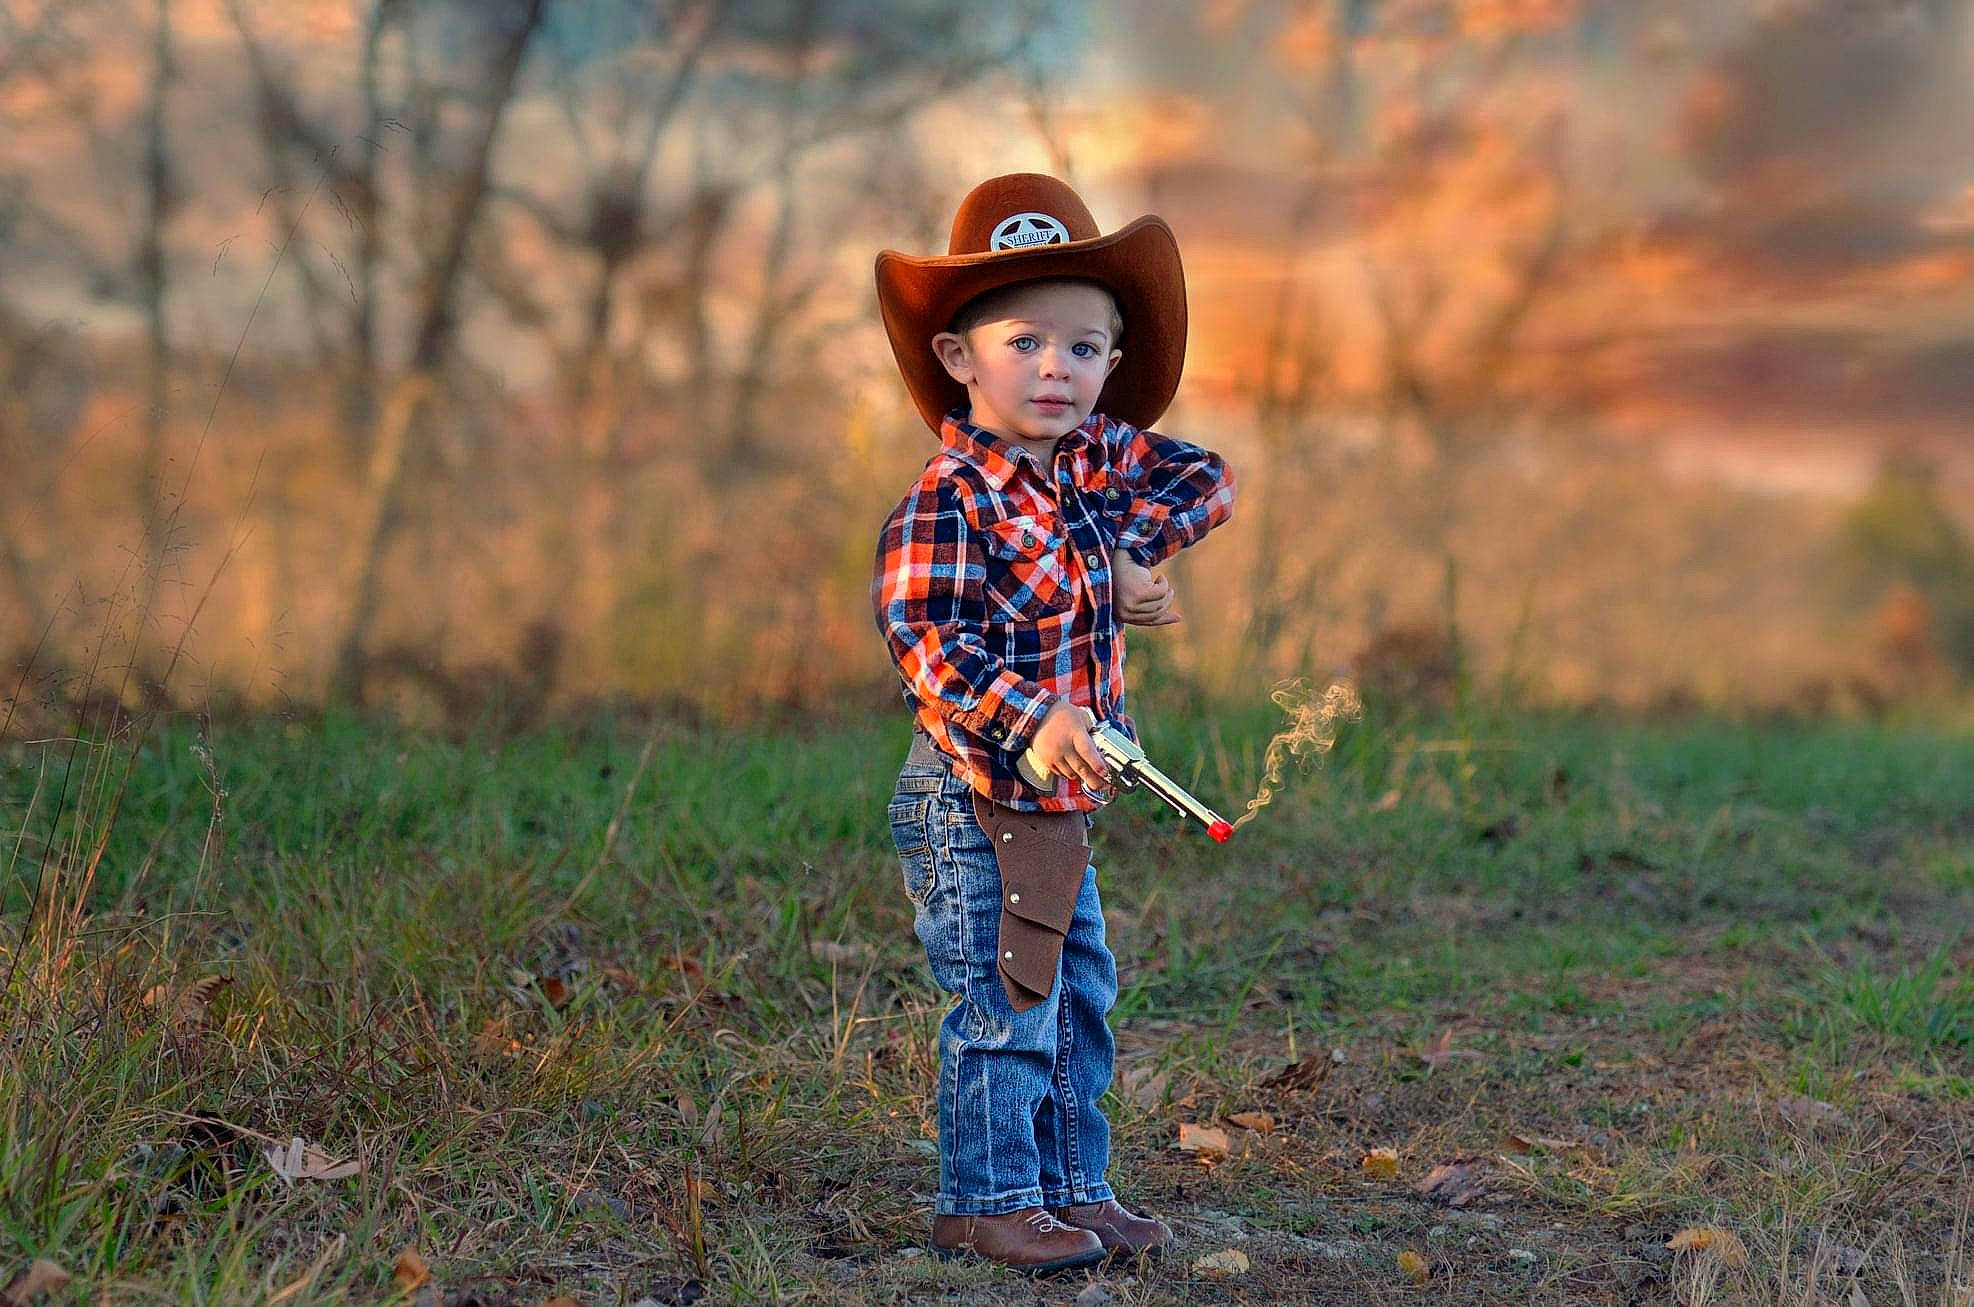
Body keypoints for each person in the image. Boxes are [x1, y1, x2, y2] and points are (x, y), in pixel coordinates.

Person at [870, 173, 1236, 1274]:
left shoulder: (1097, 470)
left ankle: (1075, 1185)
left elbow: (1208, 478)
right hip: (972, 795)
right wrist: (1032, 711)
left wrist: (1138, 550)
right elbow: (926, 639)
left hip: (1060, 803)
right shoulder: (953, 496)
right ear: (958, 358)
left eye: (1084, 349)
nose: (1055, 370)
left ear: (1112, 365)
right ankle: (987, 1197)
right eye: (1024, 341)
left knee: (1078, 993)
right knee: (1005, 996)